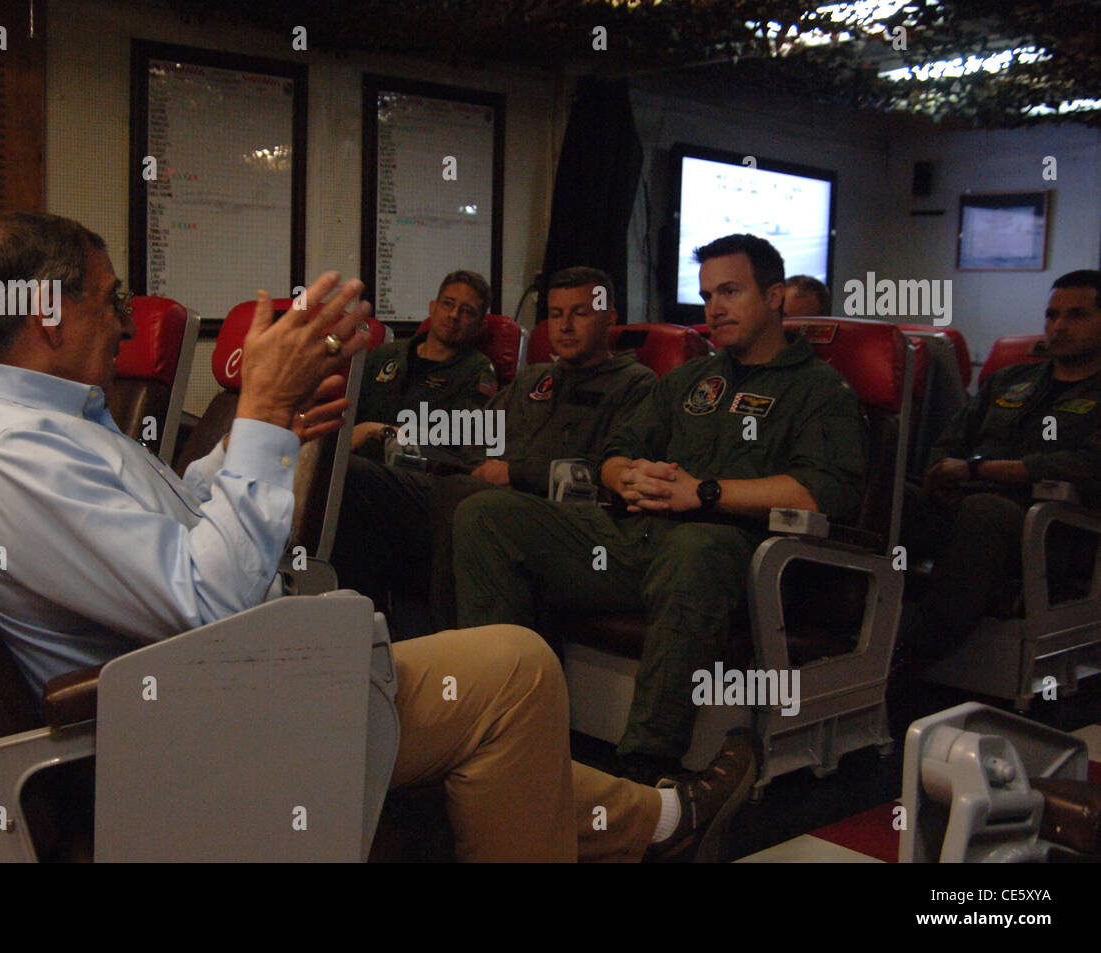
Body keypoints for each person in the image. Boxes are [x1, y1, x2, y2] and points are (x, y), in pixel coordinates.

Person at [0, 211, 757, 862]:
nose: (127, 324)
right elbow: (210, 600)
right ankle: (656, 821)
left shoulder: (21, 418)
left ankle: (655, 821)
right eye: (112, 300)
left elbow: (169, 531)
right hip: (192, 730)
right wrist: (252, 419)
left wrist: (270, 424)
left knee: (500, 699)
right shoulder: (16, 450)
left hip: (190, 694)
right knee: (517, 673)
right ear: (47, 317)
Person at [455, 234, 867, 783]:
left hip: (738, 559)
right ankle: (510, 729)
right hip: (634, 540)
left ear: (774, 297)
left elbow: (823, 493)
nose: (714, 308)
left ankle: (648, 772)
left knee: (698, 546)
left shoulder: (819, 390)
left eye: (730, 292)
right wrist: (623, 473)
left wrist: (706, 492)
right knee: (485, 514)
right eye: (707, 295)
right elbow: (611, 453)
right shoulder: (692, 381)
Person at [333, 267, 656, 635]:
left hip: (548, 515)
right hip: (470, 486)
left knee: (466, 501)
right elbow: (470, 440)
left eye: (580, 313)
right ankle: (362, 639)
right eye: (555, 314)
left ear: (610, 318)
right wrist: (395, 437)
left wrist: (514, 474)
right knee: (353, 476)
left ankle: (456, 658)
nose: (565, 325)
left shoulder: (635, 385)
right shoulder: (535, 378)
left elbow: (609, 472)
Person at [902, 270, 1101, 659]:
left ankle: (911, 658)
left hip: (1054, 529)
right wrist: (943, 475)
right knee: (897, 501)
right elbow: (947, 445)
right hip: (965, 507)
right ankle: (842, 639)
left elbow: (1085, 467)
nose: (1058, 327)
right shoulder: (1008, 381)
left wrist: (979, 470)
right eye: (1052, 315)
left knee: (986, 512)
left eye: (1076, 315)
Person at [350, 270, 498, 469]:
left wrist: (381, 431)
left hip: (419, 475)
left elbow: (462, 443)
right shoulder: (385, 355)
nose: (454, 315)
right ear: (433, 308)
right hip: (356, 460)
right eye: (448, 303)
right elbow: (348, 412)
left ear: (480, 326)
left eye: (467, 311)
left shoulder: (477, 372)